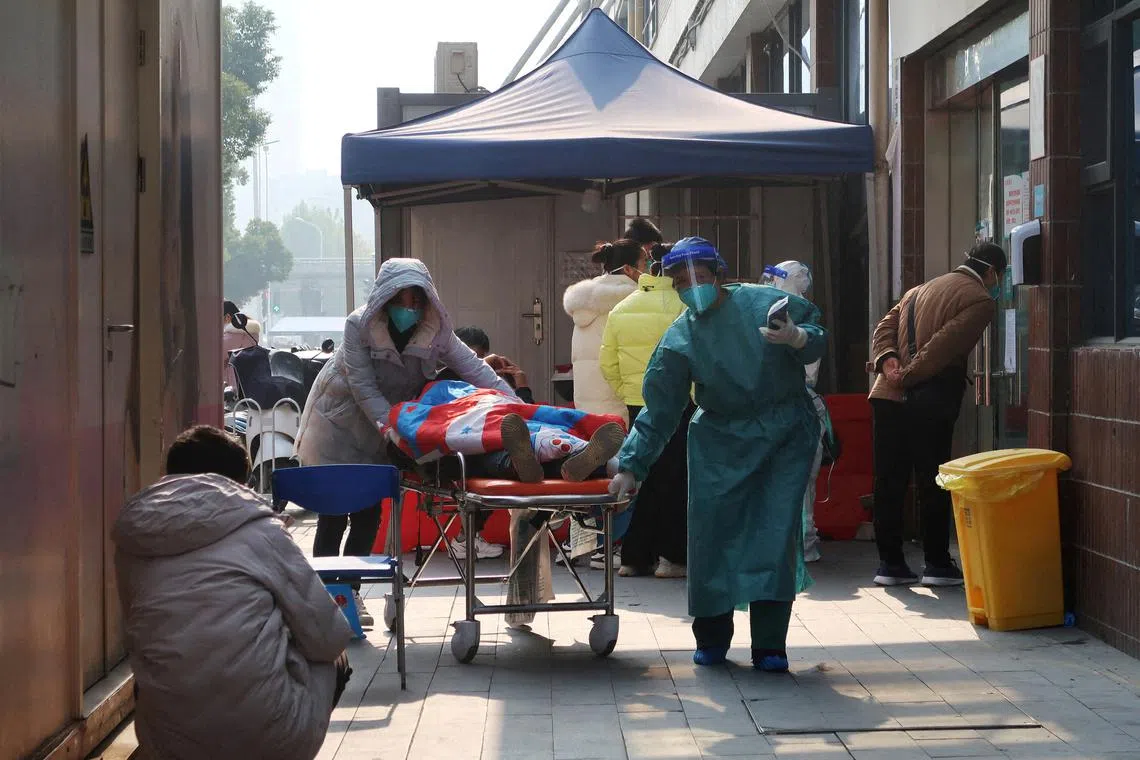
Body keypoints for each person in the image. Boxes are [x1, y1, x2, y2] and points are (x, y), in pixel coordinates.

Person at [609, 237, 827, 673]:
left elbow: (817, 338)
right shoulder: (681, 337)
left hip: (783, 437)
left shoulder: (767, 303)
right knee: (712, 539)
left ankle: (769, 645)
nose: (693, 287)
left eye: (701, 278)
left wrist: (797, 337)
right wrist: (630, 467)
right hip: (719, 441)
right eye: (682, 281)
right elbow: (660, 408)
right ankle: (711, 638)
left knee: (774, 534)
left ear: (719, 275)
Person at [295, 258, 515, 624]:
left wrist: (515, 404)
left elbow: (474, 368)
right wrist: (392, 430)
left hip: (386, 429)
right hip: (338, 424)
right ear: (385, 299)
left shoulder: (436, 329)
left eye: (417, 301)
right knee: (333, 515)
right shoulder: (358, 326)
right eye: (402, 301)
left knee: (368, 515)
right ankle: (325, 600)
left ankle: (349, 594)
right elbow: (363, 387)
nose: (409, 310)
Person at [113, 425, 353, 760]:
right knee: (334, 658)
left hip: (169, 744)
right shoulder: (262, 529)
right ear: (239, 484)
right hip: (270, 742)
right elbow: (328, 638)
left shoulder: (135, 537)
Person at [867, 241, 1004, 588]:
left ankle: (890, 564)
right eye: (997, 277)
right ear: (990, 272)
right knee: (933, 480)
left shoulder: (919, 289)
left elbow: (884, 326)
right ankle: (937, 564)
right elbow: (945, 345)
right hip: (929, 395)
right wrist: (909, 375)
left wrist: (887, 360)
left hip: (887, 395)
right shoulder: (980, 300)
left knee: (889, 480)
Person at [599, 243, 692, 579]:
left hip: (638, 403)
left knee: (641, 477)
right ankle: (672, 556)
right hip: (681, 402)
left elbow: (607, 363)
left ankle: (635, 556)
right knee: (676, 479)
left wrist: (631, 392)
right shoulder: (684, 306)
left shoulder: (622, 308)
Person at [761, 261, 826, 563]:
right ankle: (799, 545)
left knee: (798, 482)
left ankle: (802, 545)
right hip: (790, 409)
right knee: (797, 483)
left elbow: (807, 372)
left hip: (797, 406)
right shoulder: (770, 312)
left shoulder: (803, 320)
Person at [563, 239, 646, 425]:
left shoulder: (586, 301)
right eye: (644, 263)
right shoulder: (632, 302)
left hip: (587, 405)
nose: (648, 269)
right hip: (620, 406)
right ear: (628, 269)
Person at [223, 299, 260, 392]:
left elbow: (214, 356)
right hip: (250, 383)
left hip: (232, 384)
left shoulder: (233, 335)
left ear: (227, 317)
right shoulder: (251, 333)